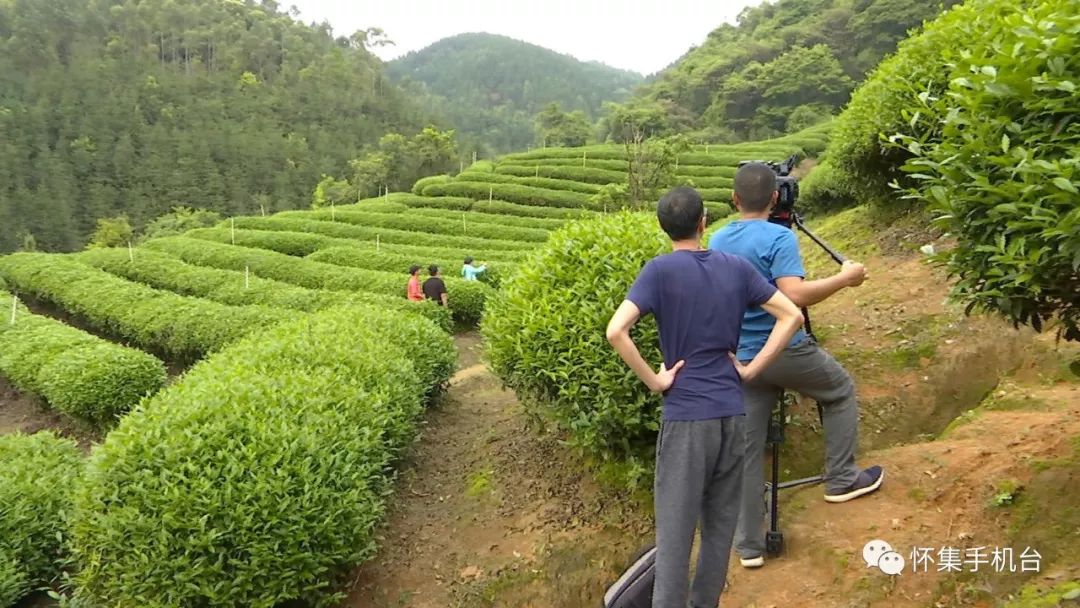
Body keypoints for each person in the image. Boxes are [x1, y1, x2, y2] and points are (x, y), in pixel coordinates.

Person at [605, 187, 804, 608]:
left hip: (686, 417)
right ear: (703, 221)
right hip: (731, 412)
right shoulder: (735, 268)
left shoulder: (658, 272)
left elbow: (615, 331)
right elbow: (792, 315)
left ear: (664, 227)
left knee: (676, 533)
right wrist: (750, 369)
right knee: (719, 529)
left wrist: (656, 382)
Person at [707, 162, 885, 570]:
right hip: (784, 350)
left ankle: (749, 545)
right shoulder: (777, 237)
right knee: (839, 391)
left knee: (750, 450)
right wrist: (846, 278)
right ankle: (841, 480)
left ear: (734, 199)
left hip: (744, 358)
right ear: (775, 198)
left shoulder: (717, 238)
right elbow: (795, 295)